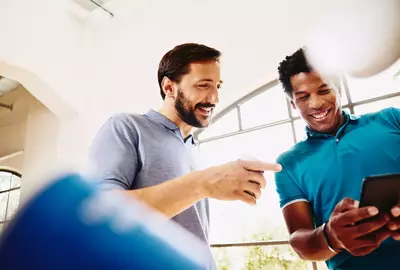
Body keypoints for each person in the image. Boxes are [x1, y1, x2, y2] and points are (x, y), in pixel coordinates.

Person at [87, 43, 281, 267]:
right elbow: (99, 214)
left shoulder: (194, 147)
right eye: (203, 85)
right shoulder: (126, 127)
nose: (214, 98)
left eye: (218, 86)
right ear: (169, 87)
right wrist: (204, 183)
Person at [275, 48, 400, 270]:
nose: (316, 104)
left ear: (338, 88)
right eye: (303, 97)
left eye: (324, 90)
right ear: (293, 104)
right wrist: (331, 236)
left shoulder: (391, 120)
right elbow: (299, 240)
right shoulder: (288, 164)